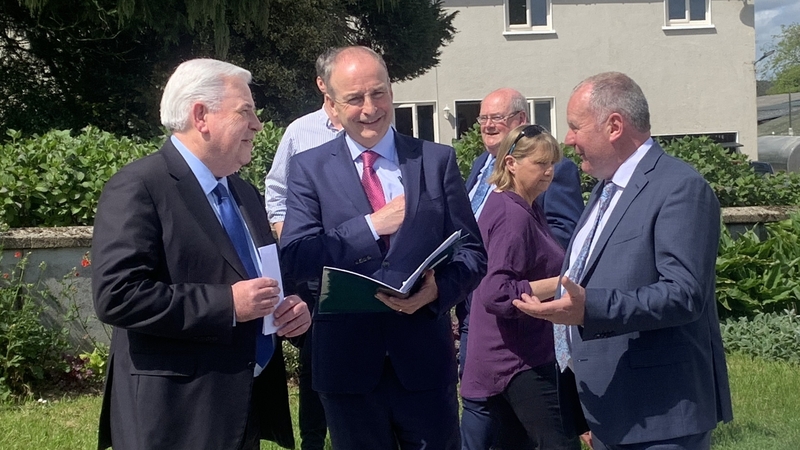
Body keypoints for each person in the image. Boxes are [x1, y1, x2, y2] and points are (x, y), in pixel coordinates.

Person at [92, 58, 311, 450]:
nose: (258, 125)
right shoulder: (140, 186)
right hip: (174, 416)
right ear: (201, 116)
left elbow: (260, 273)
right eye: (245, 112)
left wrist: (289, 306)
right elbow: (117, 295)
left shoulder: (243, 192)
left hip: (241, 409)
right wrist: (228, 304)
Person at [280, 46, 487, 450]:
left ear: (392, 92)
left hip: (424, 367)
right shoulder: (309, 168)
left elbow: (473, 253)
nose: (370, 108)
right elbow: (296, 257)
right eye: (354, 99)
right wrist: (372, 226)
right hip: (347, 368)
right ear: (332, 107)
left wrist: (437, 291)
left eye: (378, 93)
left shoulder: (435, 161)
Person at [514, 72, 733, 450]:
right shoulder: (606, 189)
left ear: (614, 126)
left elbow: (684, 294)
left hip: (659, 417)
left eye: (575, 127)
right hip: (610, 409)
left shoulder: (679, 187)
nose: (568, 139)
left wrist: (589, 308)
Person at [457, 87, 585, 450]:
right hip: (516, 359)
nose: (549, 172)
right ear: (511, 164)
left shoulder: (525, 207)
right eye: (540, 164)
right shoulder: (512, 215)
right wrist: (559, 283)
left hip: (511, 354)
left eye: (552, 164)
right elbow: (496, 292)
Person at [264, 48, 342, 450]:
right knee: (315, 357)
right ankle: (313, 439)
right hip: (313, 266)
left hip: (361, 265)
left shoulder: (372, 130)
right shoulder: (300, 132)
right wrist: (289, 236)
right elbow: (276, 191)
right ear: (322, 84)